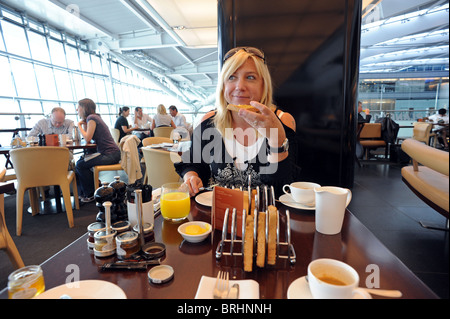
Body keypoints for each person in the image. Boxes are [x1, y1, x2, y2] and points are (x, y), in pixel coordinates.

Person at [174, 46, 300, 197]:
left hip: (265, 216)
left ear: (263, 85)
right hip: (219, 214)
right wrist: (191, 177)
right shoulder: (209, 121)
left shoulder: (282, 121)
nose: (240, 86)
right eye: (232, 77)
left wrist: (276, 140)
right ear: (223, 85)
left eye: (250, 77)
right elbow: (192, 164)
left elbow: (283, 189)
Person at [75, 98, 121, 202]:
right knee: (82, 161)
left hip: (109, 154)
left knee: (80, 165)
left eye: (78, 108)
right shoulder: (94, 117)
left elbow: (87, 138)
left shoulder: (92, 118)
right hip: (112, 153)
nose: (77, 110)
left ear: (83, 108)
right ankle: (92, 188)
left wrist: (79, 125)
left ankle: (90, 194)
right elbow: (90, 136)